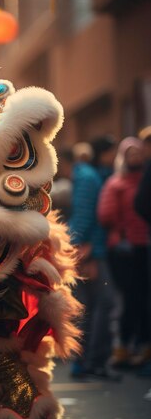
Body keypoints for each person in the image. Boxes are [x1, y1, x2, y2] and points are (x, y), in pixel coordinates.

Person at [98, 136, 150, 368]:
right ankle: (124, 347)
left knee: (143, 298)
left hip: (144, 246)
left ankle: (142, 346)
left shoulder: (145, 180)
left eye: (138, 153)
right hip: (123, 248)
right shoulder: (115, 183)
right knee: (128, 298)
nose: (136, 158)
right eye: (131, 154)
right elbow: (105, 215)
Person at [68, 137, 117, 379]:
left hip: (88, 249)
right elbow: (86, 215)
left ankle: (84, 360)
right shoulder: (88, 177)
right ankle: (91, 359)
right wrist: (83, 249)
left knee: (88, 305)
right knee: (101, 303)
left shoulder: (85, 175)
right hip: (90, 251)